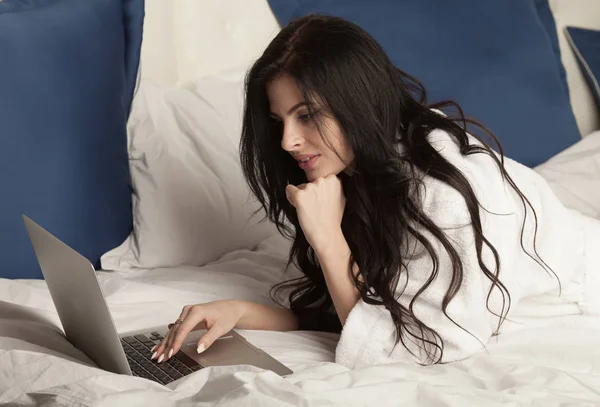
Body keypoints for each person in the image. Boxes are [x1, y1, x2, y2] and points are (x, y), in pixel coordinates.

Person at [151, 14, 600, 368]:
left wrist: (328, 239)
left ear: (357, 104)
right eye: (279, 121)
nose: (288, 141)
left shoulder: (444, 191)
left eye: (307, 116)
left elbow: (414, 349)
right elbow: (351, 307)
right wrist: (240, 312)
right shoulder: (352, 171)